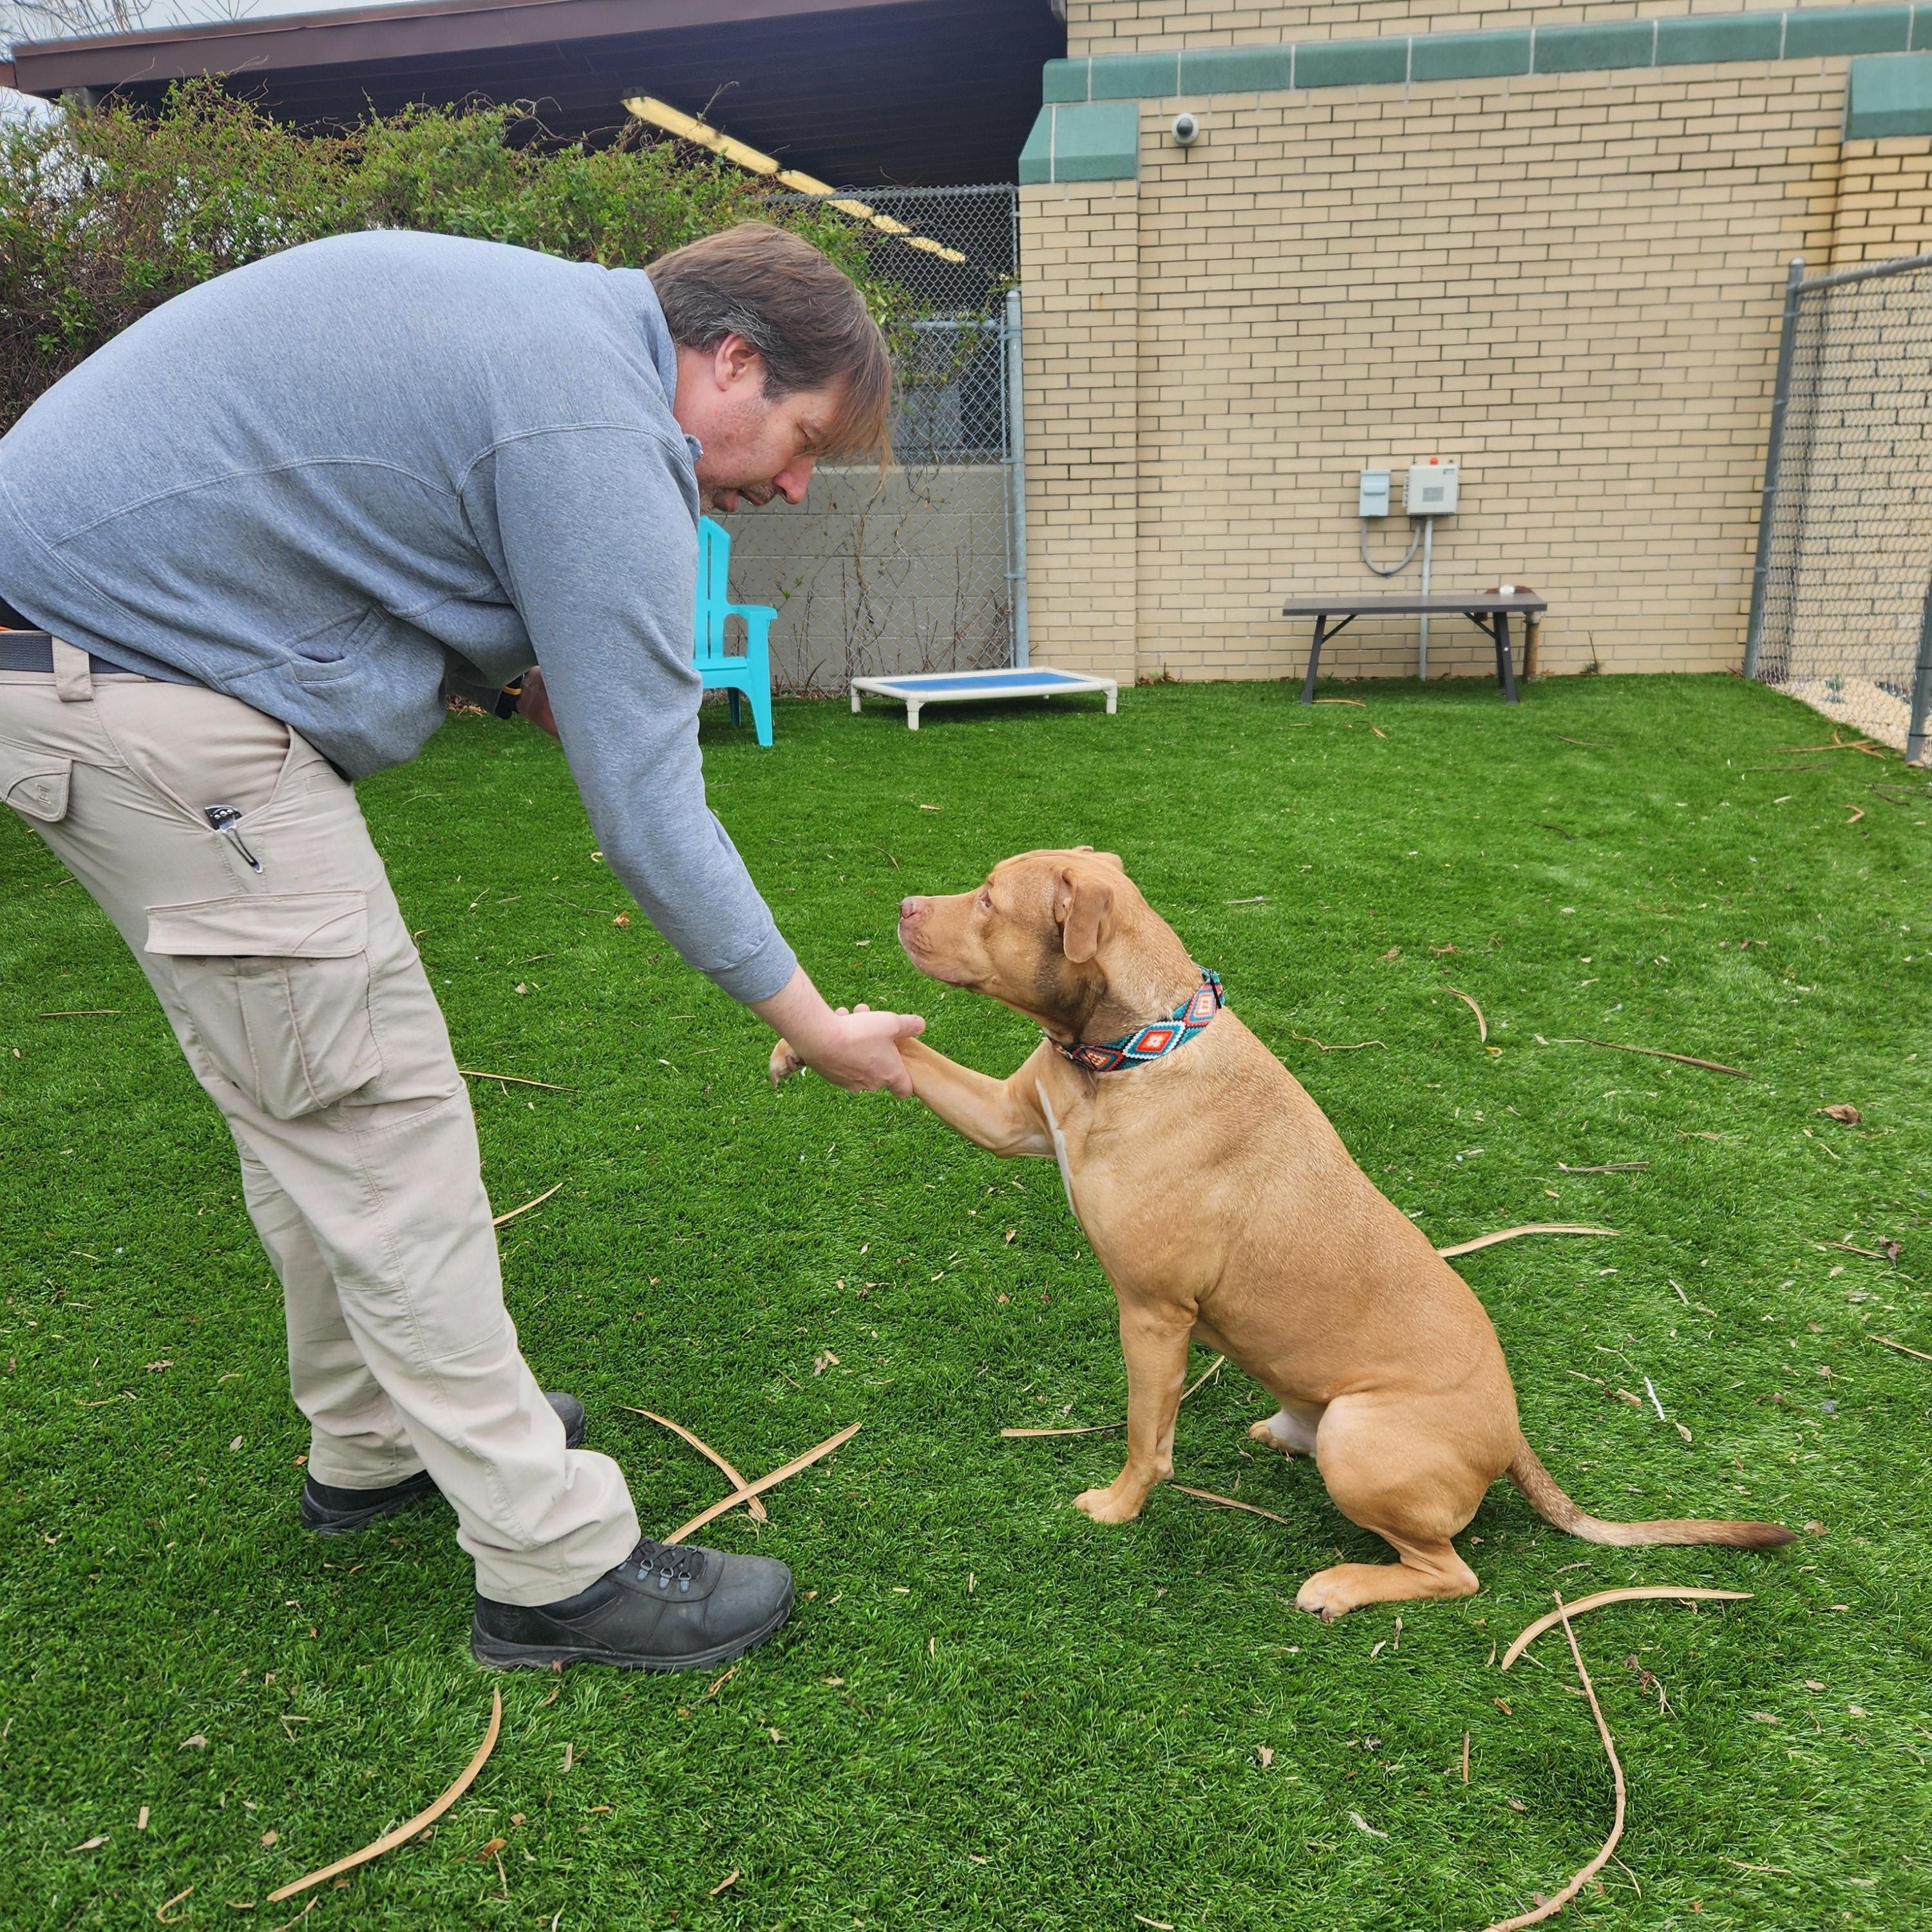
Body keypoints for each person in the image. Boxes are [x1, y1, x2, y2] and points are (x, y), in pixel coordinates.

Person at [0, 220, 925, 1673]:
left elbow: (357, 527)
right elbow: (651, 812)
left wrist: (510, 689)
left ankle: (373, 1442)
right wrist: (814, 1023)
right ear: (731, 359)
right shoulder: (597, 417)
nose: (793, 483)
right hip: (136, 688)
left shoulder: (555, 330)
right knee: (375, 1119)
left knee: (296, 1096)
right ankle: (555, 1569)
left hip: (73, 662)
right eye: (802, 437)